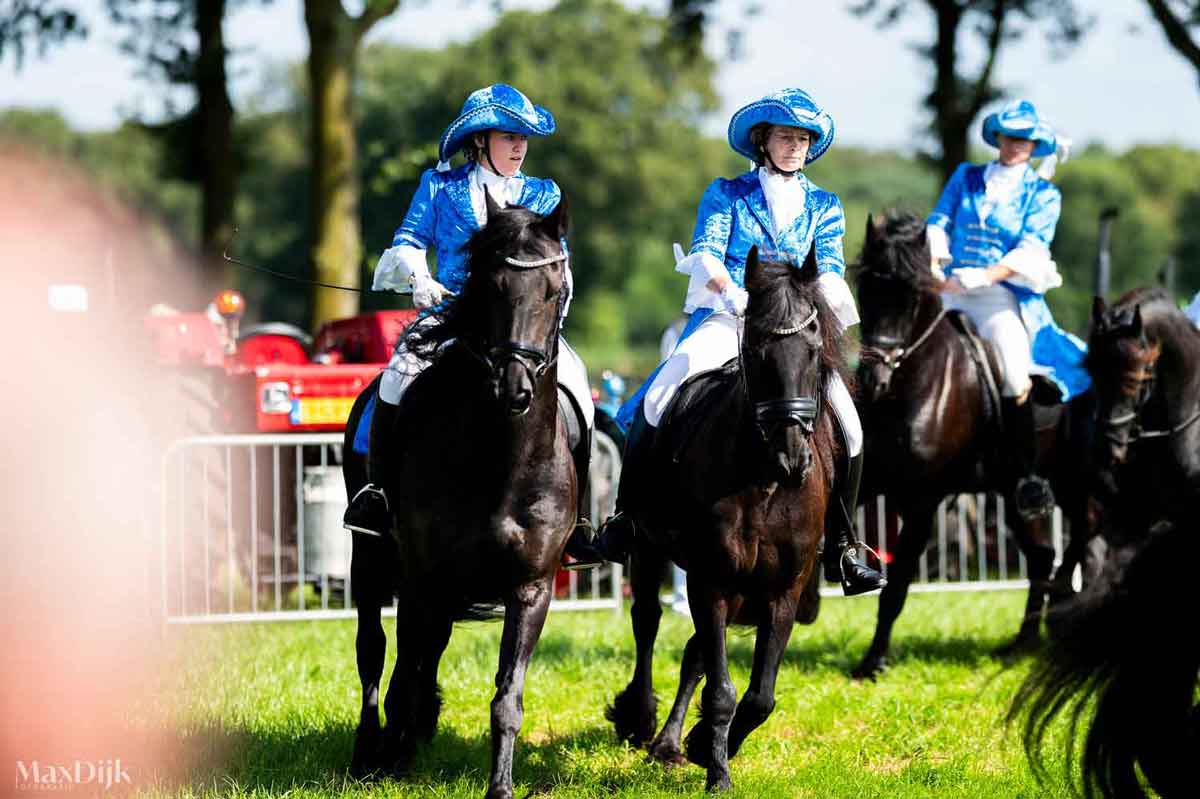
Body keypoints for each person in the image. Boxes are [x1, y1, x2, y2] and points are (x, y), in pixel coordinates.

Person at [583, 88, 887, 596]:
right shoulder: (727, 193)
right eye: (786, 136)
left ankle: (843, 544)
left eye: (804, 138)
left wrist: (816, 312)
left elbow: (830, 270)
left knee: (849, 425)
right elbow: (706, 252)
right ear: (762, 140)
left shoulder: (826, 204)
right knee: (661, 394)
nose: (795, 146)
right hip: (730, 317)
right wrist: (736, 295)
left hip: (792, 329)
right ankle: (627, 520)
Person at [343, 84, 597, 564]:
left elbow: (560, 260)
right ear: (480, 140)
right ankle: (376, 494)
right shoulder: (440, 186)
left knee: (579, 391)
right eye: (508, 136)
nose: (520, 146)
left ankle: (580, 521)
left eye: (524, 138)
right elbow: (409, 240)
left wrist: (552, 314)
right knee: (396, 379)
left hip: (522, 326)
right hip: (450, 314)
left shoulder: (545, 193)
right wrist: (418, 277)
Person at [925, 99, 1089, 520]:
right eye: (1011, 136)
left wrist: (986, 275)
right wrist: (937, 258)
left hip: (999, 295)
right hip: (949, 287)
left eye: (1025, 139)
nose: (1016, 145)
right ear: (998, 138)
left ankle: (1025, 475)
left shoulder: (1042, 193)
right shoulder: (967, 175)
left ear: (1035, 146)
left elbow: (1032, 247)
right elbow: (939, 219)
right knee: (900, 352)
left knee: (1015, 376)